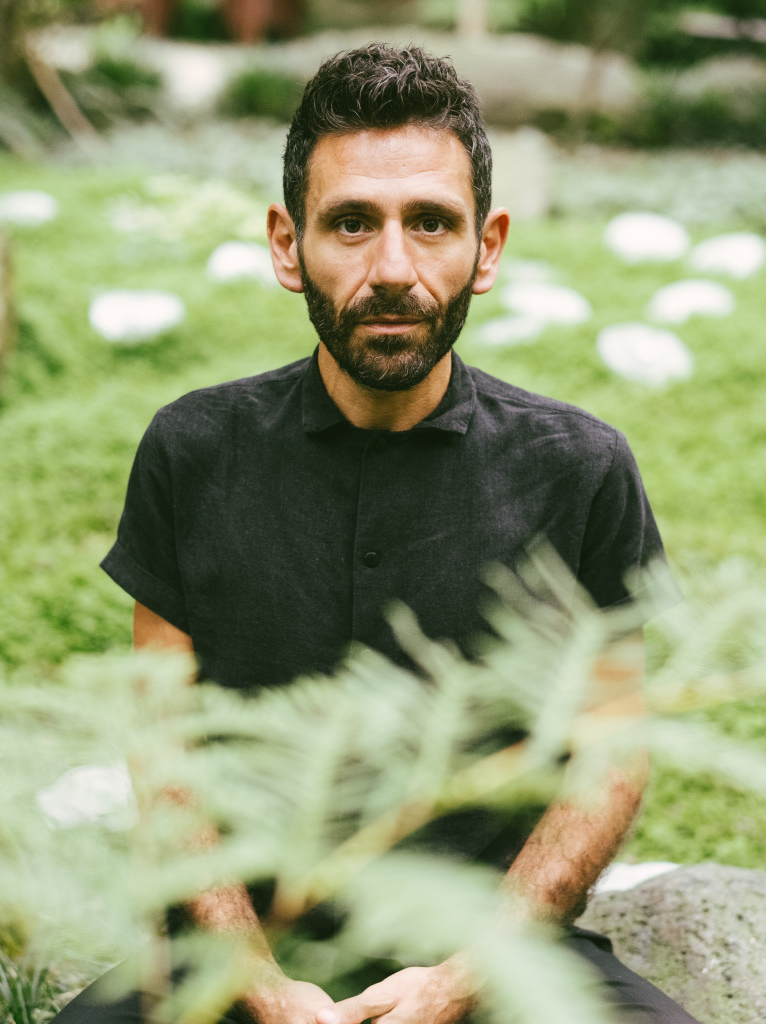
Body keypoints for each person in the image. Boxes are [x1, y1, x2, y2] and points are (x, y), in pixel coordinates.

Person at [54, 43, 700, 1024]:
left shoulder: (581, 469)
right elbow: (167, 756)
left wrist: (464, 976)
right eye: (352, 222)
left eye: (431, 223)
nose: (393, 268)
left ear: (485, 248)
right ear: (286, 243)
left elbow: (612, 757)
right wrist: (259, 983)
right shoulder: (192, 451)